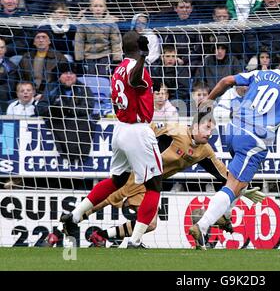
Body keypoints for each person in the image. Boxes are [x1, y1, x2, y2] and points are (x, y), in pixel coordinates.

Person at [45, 112, 265, 248]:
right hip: (133, 176)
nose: (210, 132)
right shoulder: (175, 131)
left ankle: (101, 235)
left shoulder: (205, 151)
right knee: (94, 206)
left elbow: (225, 176)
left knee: (150, 223)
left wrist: (241, 190)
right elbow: (145, 133)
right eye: (206, 127)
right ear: (194, 126)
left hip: (149, 185)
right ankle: (55, 233)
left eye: (212, 129)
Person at [189, 46, 280, 250]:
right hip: (254, 142)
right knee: (234, 184)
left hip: (233, 129)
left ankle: (223, 215)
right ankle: (202, 225)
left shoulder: (261, 73)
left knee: (239, 183)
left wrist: (208, 101)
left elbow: (227, 81)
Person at [59, 31, 162, 249]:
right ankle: (135, 240)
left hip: (120, 130)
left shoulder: (118, 68)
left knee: (118, 181)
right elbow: (135, 79)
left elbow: (133, 86)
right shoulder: (137, 67)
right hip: (138, 130)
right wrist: (143, 56)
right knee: (154, 187)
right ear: (140, 47)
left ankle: (74, 217)